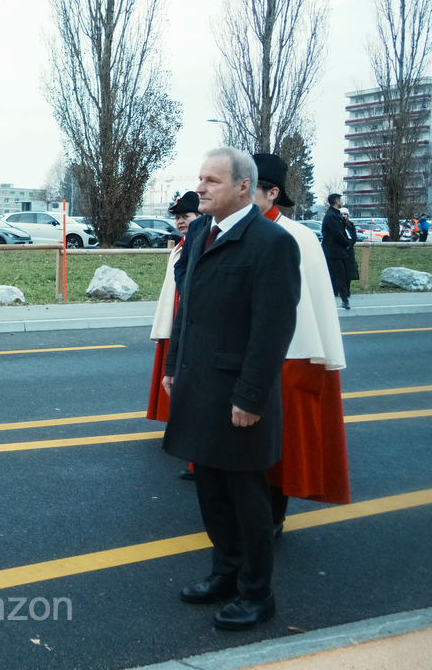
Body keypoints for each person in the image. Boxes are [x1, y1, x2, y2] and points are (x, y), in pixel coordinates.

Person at [161, 146, 301, 631]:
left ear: (244, 187)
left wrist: (251, 396)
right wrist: (174, 365)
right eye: (200, 178)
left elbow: (272, 330)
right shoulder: (201, 232)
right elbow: (189, 306)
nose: (199, 188)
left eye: (211, 181)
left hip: (238, 394)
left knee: (247, 499)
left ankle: (257, 594)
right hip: (199, 386)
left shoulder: (271, 243)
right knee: (212, 493)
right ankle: (224, 572)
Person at [251, 154, 351, 539]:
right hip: (243, 352)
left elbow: (314, 307)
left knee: (282, 443)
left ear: (272, 193)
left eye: (251, 187)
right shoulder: (231, 230)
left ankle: (272, 517)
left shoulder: (299, 237)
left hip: (290, 355)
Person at [148, 191, 202, 481]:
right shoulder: (182, 245)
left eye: (187, 216)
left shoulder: (200, 242)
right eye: (178, 218)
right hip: (177, 322)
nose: (181, 222)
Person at [321, 194, 354, 310]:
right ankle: (344, 300)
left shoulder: (337, 214)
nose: (341, 201)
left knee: (343, 275)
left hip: (338, 251)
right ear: (336, 201)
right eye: (340, 199)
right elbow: (337, 234)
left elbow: (343, 231)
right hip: (333, 251)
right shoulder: (331, 216)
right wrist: (347, 243)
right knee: (339, 275)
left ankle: (343, 298)